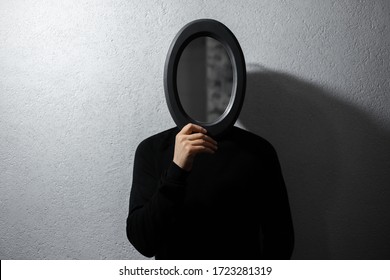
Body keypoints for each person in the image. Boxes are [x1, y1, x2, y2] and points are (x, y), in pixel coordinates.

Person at [126, 123, 294, 259]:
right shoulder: (152, 149)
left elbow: (280, 239)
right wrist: (177, 169)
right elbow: (144, 243)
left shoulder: (258, 151)